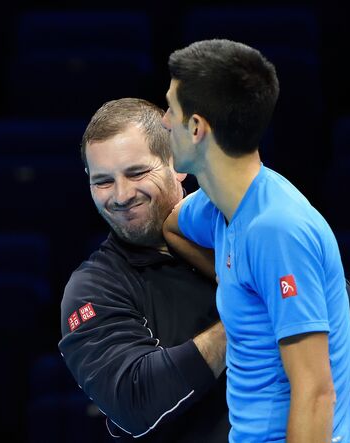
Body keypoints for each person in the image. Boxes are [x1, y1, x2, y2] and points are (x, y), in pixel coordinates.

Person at [162, 39, 350, 442]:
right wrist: (239, 283)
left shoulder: (277, 230)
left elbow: (317, 393)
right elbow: (170, 226)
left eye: (170, 109)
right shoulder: (216, 207)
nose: (163, 121)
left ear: (197, 128)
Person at [58, 97, 230, 442]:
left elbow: (336, 300)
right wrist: (250, 316)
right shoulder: (93, 288)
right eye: (103, 182)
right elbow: (135, 402)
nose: (121, 195)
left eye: (136, 173)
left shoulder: (240, 226)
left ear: (178, 163)